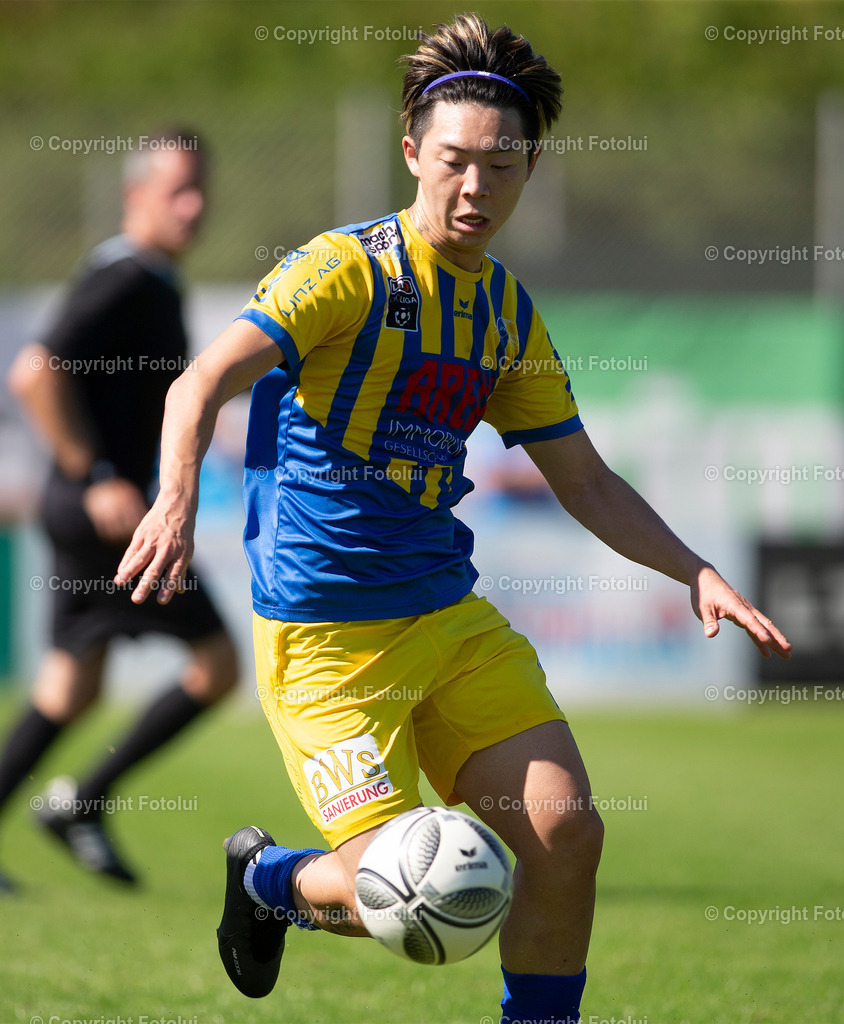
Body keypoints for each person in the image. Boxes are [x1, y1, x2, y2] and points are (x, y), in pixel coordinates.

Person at [116, 18, 790, 1024]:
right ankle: (272, 883)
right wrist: (173, 499)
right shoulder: (343, 269)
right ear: (410, 154)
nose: (475, 188)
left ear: (530, 170)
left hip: (447, 621)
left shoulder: (507, 315)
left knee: (566, 835)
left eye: (502, 166)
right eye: (454, 162)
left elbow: (587, 481)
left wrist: (692, 569)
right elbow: (202, 381)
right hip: (329, 641)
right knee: (418, 896)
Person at [0, 128, 237, 890]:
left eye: (201, 188)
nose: (195, 205)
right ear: (137, 196)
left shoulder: (145, 275)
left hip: (82, 515)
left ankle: (74, 804)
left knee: (70, 688)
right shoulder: (129, 277)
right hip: (106, 516)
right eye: (178, 190)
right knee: (219, 663)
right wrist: (96, 471)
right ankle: (82, 802)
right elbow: (35, 373)